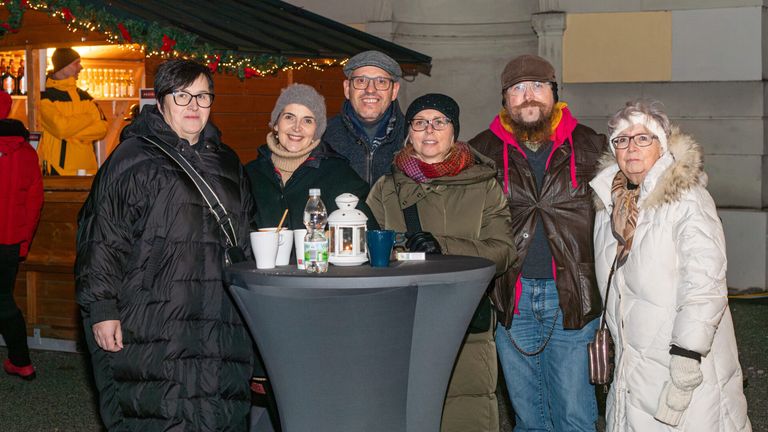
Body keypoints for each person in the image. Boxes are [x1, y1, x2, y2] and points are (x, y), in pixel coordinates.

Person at [75, 59, 254, 431]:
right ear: (161, 102)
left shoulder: (228, 162)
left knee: (217, 410)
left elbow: (247, 235)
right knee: (161, 411)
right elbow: (103, 236)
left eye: (202, 96)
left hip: (220, 314)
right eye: (182, 95)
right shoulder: (133, 159)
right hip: (155, 314)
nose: (193, 105)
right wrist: (102, 308)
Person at [590, 99, 751, 431]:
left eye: (642, 138)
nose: (631, 147)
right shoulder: (609, 205)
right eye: (621, 139)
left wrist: (687, 355)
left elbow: (706, 283)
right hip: (634, 366)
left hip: (682, 363)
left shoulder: (687, 199)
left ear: (662, 146)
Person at [469, 54, 608, 431]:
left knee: (574, 415)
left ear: (554, 93)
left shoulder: (593, 147)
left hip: (572, 296)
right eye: (517, 89)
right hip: (511, 298)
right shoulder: (480, 152)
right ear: (505, 99)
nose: (527, 96)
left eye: (536, 86)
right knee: (529, 417)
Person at [367, 93, 516, 432]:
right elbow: (368, 254)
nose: (429, 130)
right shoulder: (386, 188)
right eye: (420, 123)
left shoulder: (484, 185)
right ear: (409, 132)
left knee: (465, 417)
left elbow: (504, 251)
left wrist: (442, 245)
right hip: (402, 324)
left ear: (454, 131)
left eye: (439, 122)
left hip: (466, 324)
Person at [246, 83, 377, 230]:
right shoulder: (249, 175)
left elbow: (368, 235)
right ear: (276, 124)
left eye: (307, 120)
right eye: (289, 117)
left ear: (317, 130)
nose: (297, 127)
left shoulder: (339, 175)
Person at [0, 91, 43, 381]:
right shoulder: (26, 151)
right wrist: (23, 241)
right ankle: (21, 361)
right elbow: (34, 202)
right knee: (3, 299)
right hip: (9, 242)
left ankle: (21, 360)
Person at [322, 50, 406, 185]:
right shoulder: (323, 136)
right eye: (361, 81)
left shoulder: (413, 137)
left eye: (381, 81)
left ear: (394, 91)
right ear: (347, 89)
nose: (370, 90)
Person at [38, 48, 107, 175]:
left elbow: (102, 128)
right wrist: (89, 118)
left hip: (89, 170)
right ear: (62, 66)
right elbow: (61, 128)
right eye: (76, 63)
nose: (81, 67)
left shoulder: (85, 96)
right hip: (58, 171)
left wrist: (70, 135)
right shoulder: (44, 97)